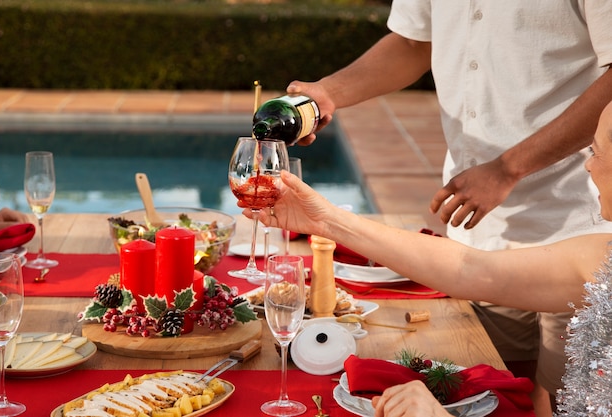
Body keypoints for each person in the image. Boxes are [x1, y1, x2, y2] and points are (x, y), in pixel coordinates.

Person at [284, 2, 612, 413]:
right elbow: (412, 41)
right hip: (480, 234)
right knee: (490, 395)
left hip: (578, 224)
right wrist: (330, 92)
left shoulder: (600, 265)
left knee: (560, 402)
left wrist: (509, 168)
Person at [241, 100, 612, 416]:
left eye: (594, 152)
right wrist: (325, 220)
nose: (587, 166)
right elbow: (472, 269)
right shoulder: (600, 256)